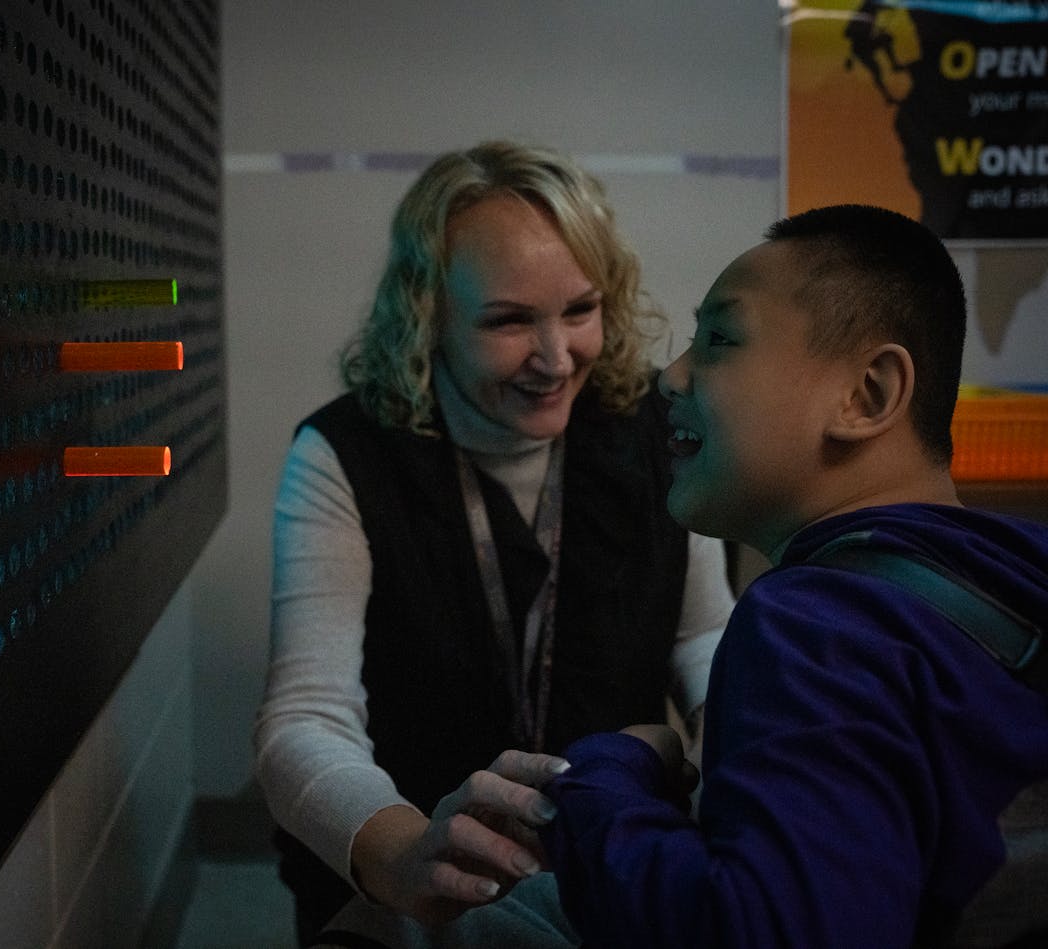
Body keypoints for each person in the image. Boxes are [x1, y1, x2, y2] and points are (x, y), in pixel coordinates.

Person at [253, 140, 737, 943]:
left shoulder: (653, 431)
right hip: (406, 889)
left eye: (580, 310)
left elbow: (703, 634)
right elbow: (305, 716)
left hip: (604, 864)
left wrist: (746, 740)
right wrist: (401, 850)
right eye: (509, 321)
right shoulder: (343, 455)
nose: (556, 359)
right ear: (428, 315)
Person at [540, 204, 1048, 947]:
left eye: (719, 339)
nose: (670, 376)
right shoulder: (1016, 573)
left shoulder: (814, 622)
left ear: (866, 395)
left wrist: (606, 776)